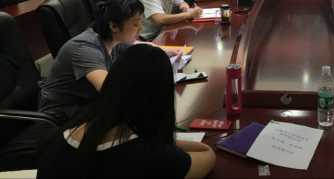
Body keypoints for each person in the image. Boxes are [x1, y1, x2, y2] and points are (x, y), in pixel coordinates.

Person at [37, 44, 216, 179]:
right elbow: (206, 154)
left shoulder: (67, 132)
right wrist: (158, 138)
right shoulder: (151, 158)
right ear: (160, 98)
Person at [38, 0, 145, 124]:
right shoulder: (85, 48)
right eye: (135, 24)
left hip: (88, 103)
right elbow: (110, 90)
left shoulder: (114, 39)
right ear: (114, 26)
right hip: (61, 116)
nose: (141, 29)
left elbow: (145, 51)